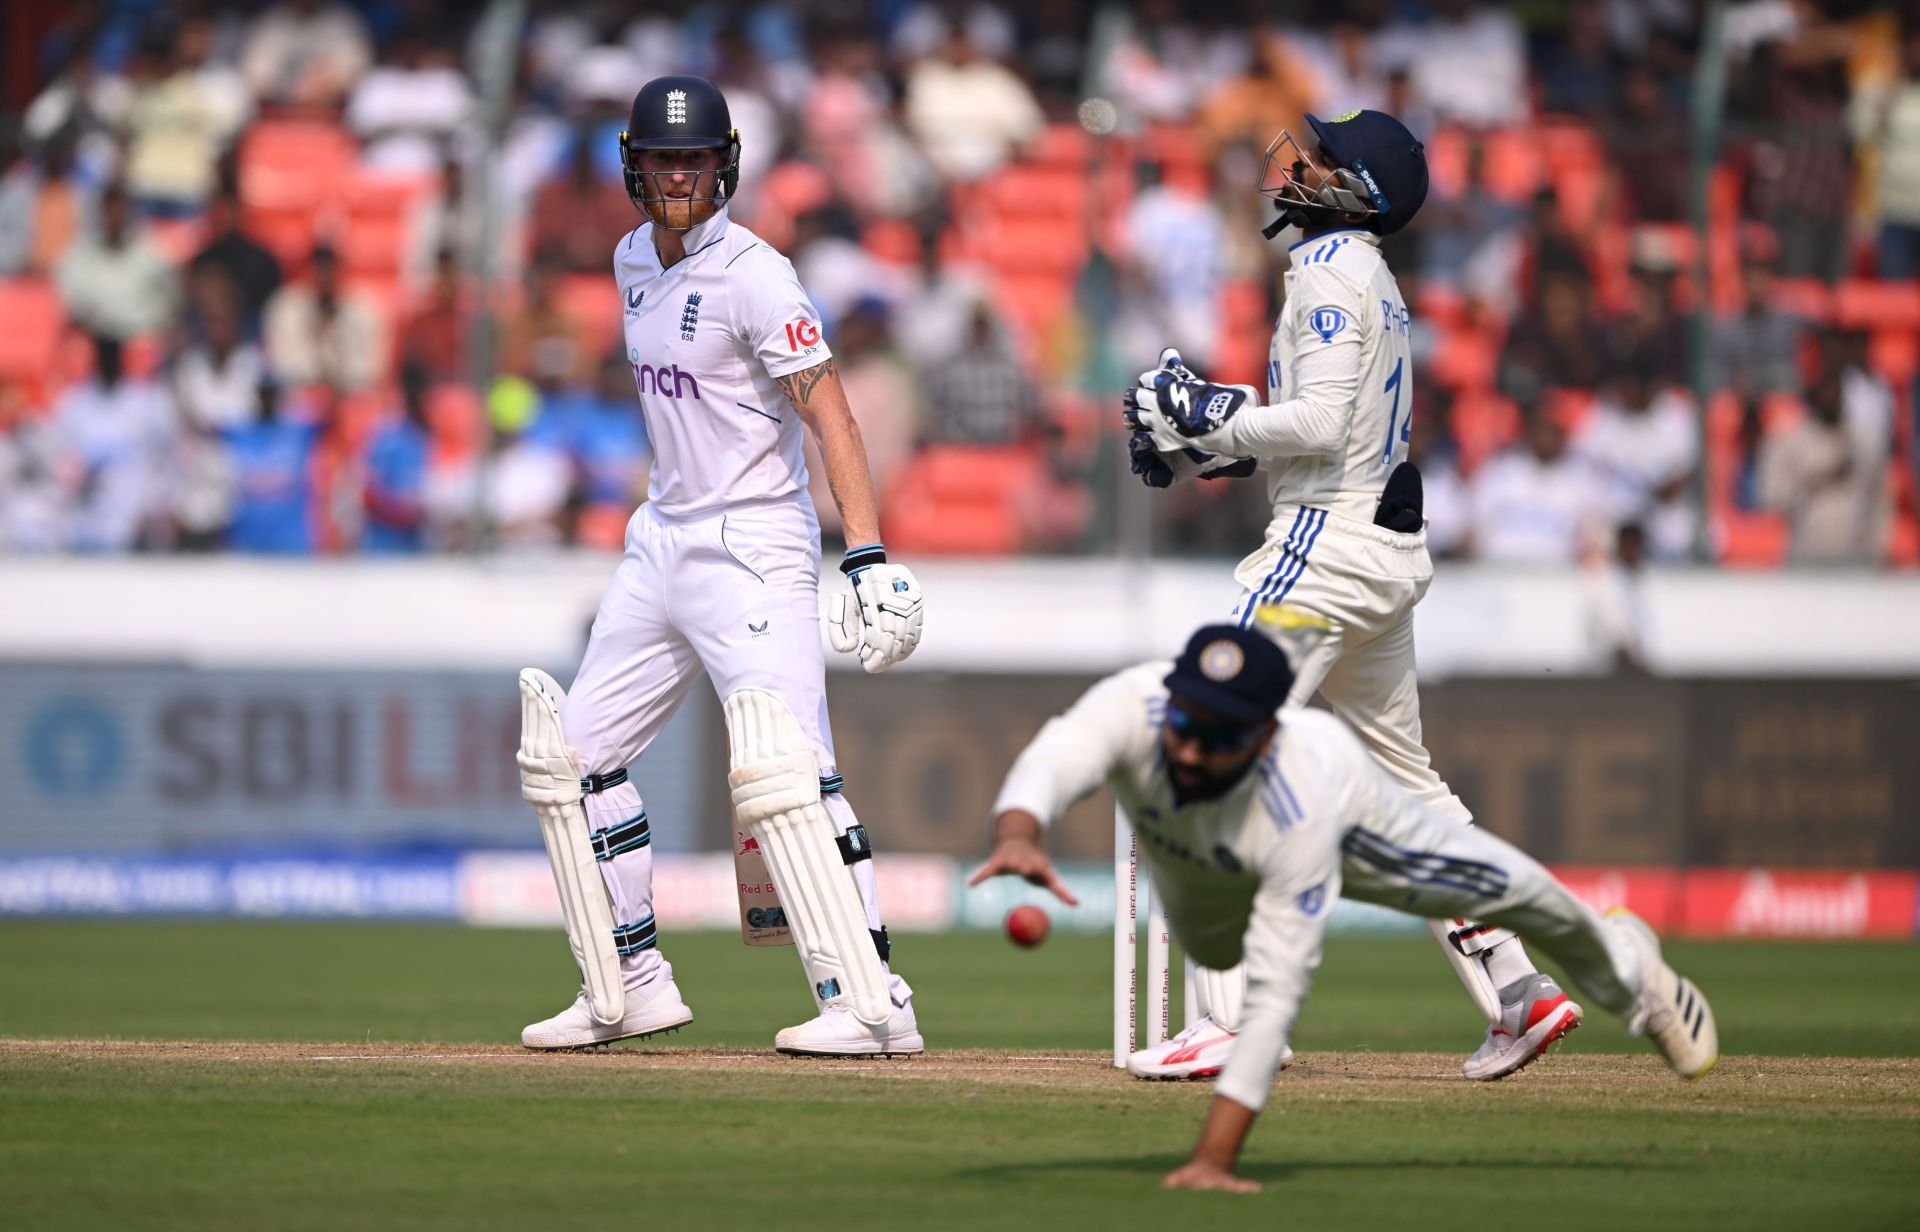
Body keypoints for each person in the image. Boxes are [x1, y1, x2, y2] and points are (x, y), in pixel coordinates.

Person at [1116, 109, 1569, 1082]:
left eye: (1316, 156)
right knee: (1407, 783)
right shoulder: (1372, 279)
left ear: (1352, 186)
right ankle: (1520, 986)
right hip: (1376, 545)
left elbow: (1319, 423)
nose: (1292, 162)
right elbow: (1341, 423)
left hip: (1326, 545)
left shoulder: (1330, 271)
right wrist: (1217, 445)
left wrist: (1210, 414)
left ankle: (1227, 1018)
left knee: (1199, 737)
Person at [971, 621, 1719, 1193]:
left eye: (1218, 737)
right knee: (1215, 945)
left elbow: (1277, 1003)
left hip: (1360, 838)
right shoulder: (1135, 702)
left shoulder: (1300, 792)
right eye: (1186, 725)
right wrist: (1019, 830)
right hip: (1203, 874)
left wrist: (1211, 1159)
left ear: (1264, 735)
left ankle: (1637, 979)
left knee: (1530, 897)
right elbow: (1055, 753)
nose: (1192, 750)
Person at [515, 76, 927, 1057]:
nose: (680, 175)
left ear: (726, 163)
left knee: (791, 774)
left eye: (696, 157)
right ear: (634, 167)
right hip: (661, 538)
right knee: (571, 758)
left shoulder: (757, 275)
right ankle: (628, 984)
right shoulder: (627, 261)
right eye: (663, 159)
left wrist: (864, 554)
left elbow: (830, 409)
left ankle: (875, 1002)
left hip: (754, 544)